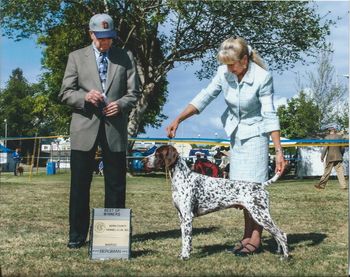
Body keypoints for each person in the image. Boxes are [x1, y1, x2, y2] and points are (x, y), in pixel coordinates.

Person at [166, 37, 286, 256]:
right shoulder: (224, 72)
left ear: (245, 59)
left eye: (232, 64)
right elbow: (204, 97)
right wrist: (179, 119)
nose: (228, 69)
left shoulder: (262, 78)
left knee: (252, 190)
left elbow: (269, 114)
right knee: (241, 193)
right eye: (226, 64)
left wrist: (278, 150)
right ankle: (246, 235)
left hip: (257, 135)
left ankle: (255, 239)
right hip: (236, 136)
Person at [59, 13, 140, 249]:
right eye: (101, 38)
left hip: (115, 129)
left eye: (109, 38)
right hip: (84, 128)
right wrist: (84, 97)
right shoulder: (76, 57)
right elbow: (65, 92)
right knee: (79, 185)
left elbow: (133, 93)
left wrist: (121, 105)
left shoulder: (126, 57)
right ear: (91, 34)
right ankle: (76, 236)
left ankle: (112, 238)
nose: (105, 43)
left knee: (115, 184)